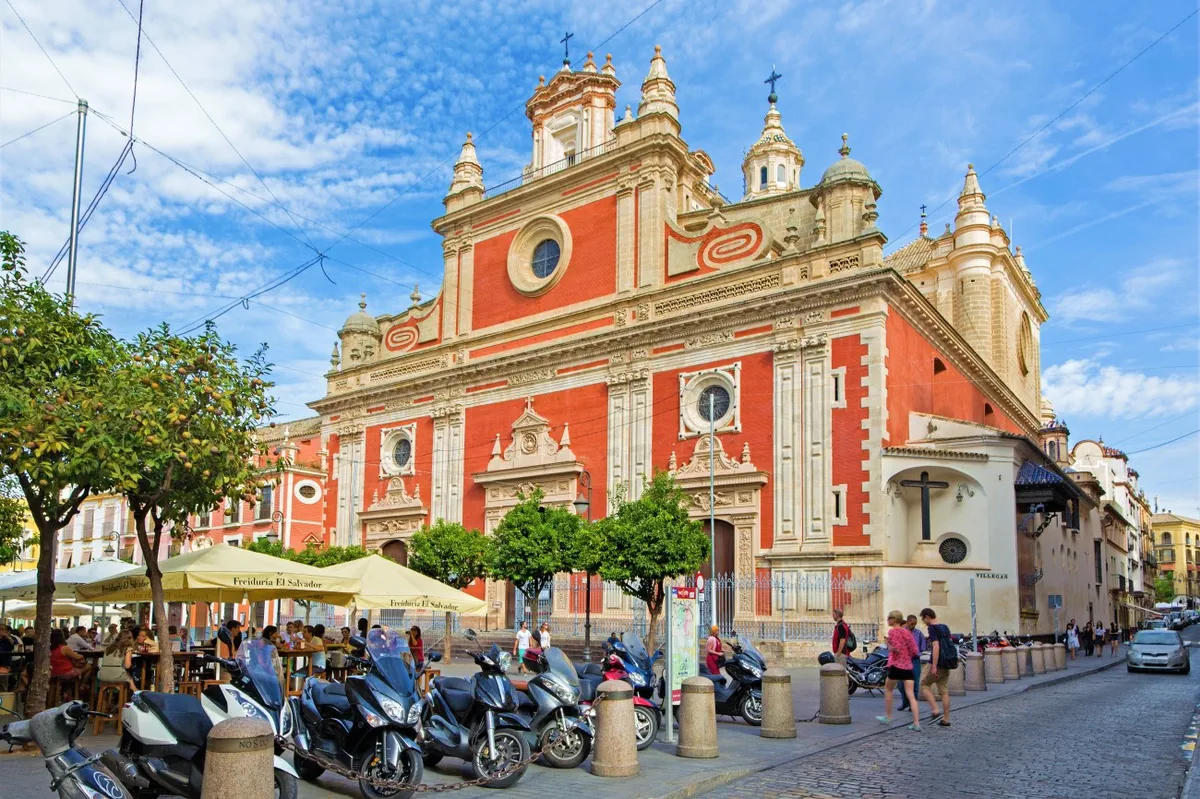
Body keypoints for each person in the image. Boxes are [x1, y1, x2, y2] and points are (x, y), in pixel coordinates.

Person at [876, 610, 920, 731]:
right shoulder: (907, 633)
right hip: (907, 666)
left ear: (894, 619)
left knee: (888, 689)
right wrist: (907, 655)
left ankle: (889, 716)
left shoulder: (893, 632)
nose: (887, 620)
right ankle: (916, 723)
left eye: (889, 618)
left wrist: (889, 645)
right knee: (911, 695)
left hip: (896, 665)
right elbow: (915, 650)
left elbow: (895, 649)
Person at [918, 608, 953, 727]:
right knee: (944, 691)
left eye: (923, 619)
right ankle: (946, 719)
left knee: (924, 684)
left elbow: (936, 647)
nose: (924, 622)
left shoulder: (932, 628)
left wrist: (934, 666)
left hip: (937, 662)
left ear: (927, 617)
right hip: (947, 662)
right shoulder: (945, 627)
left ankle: (935, 710)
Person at [899, 615, 926, 712]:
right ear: (907, 622)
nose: (913, 626)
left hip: (914, 660)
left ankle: (912, 704)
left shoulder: (918, 633)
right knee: (901, 684)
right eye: (912, 624)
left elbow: (923, 647)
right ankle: (905, 702)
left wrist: (917, 652)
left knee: (914, 683)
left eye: (915, 624)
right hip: (903, 661)